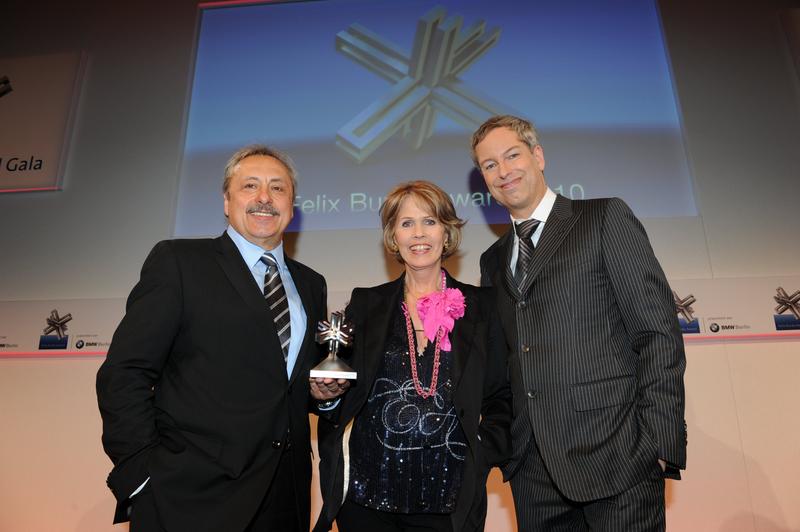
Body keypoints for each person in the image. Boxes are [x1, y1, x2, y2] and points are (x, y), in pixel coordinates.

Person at [96, 144, 345, 532]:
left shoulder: (311, 284)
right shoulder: (179, 263)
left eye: (278, 188)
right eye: (250, 186)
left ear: (292, 207)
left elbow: (287, 387)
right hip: (190, 498)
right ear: (227, 202)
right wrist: (141, 477)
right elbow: (124, 374)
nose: (264, 197)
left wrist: (323, 398)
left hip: (285, 499)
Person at [472, 115, 687, 531]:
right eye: (489, 165)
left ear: (538, 156)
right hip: (533, 473)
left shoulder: (603, 218)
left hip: (618, 458)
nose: (503, 171)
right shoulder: (492, 260)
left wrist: (658, 444)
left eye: (512, 155)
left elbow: (657, 334)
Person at [312, 181, 512, 532]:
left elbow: (501, 396)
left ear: (447, 233)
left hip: (448, 503)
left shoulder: (483, 307)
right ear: (393, 237)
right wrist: (325, 396)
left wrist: (482, 453)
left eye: (430, 221)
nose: (418, 234)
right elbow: (343, 390)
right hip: (366, 501)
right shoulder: (366, 304)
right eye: (406, 223)